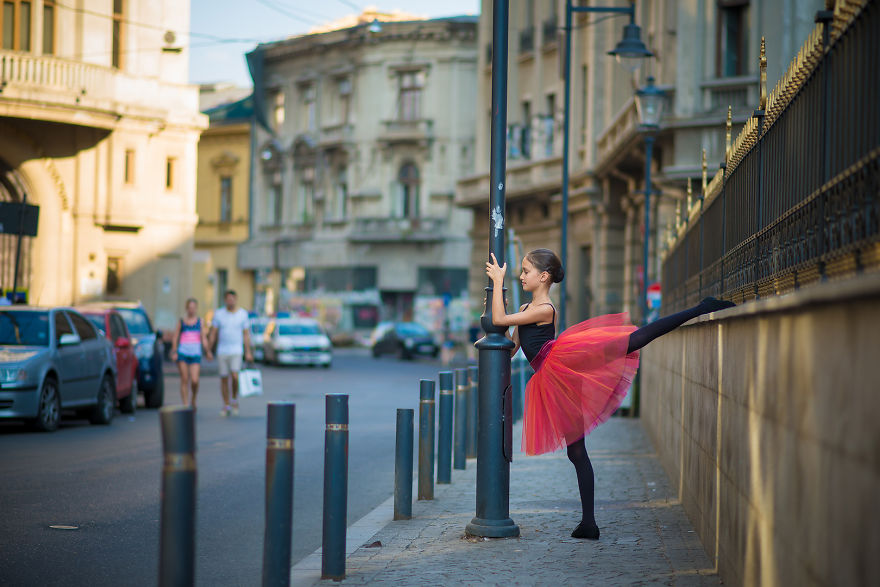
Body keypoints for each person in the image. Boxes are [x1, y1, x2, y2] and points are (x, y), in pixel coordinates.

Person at [485, 248, 734, 540]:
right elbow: (512, 345)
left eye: (526, 271)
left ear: (544, 276)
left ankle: (699, 308)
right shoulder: (527, 310)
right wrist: (490, 342)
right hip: (555, 377)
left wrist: (499, 282)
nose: (521, 275)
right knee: (576, 452)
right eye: (521, 271)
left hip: (565, 361)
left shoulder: (545, 309)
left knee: (633, 340)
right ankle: (589, 524)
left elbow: (500, 320)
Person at [209, 290, 253, 417]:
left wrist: (248, 352)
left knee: (235, 376)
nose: (230, 301)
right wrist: (208, 350)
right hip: (222, 350)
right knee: (223, 378)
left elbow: (246, 334)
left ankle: (234, 399)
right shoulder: (219, 314)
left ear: (236, 300)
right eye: (228, 299)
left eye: (232, 299)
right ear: (225, 300)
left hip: (236, 350)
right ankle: (226, 404)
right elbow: (213, 333)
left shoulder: (242, 314)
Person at [169, 298, 213, 409]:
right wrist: (174, 351)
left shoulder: (200, 321)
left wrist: (207, 351)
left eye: (193, 308)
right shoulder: (182, 321)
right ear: (186, 308)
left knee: (194, 380)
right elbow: (175, 337)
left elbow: (203, 338)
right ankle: (185, 404)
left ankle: (193, 398)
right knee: (184, 378)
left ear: (196, 309)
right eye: (189, 308)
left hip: (195, 354)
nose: (191, 310)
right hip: (183, 353)